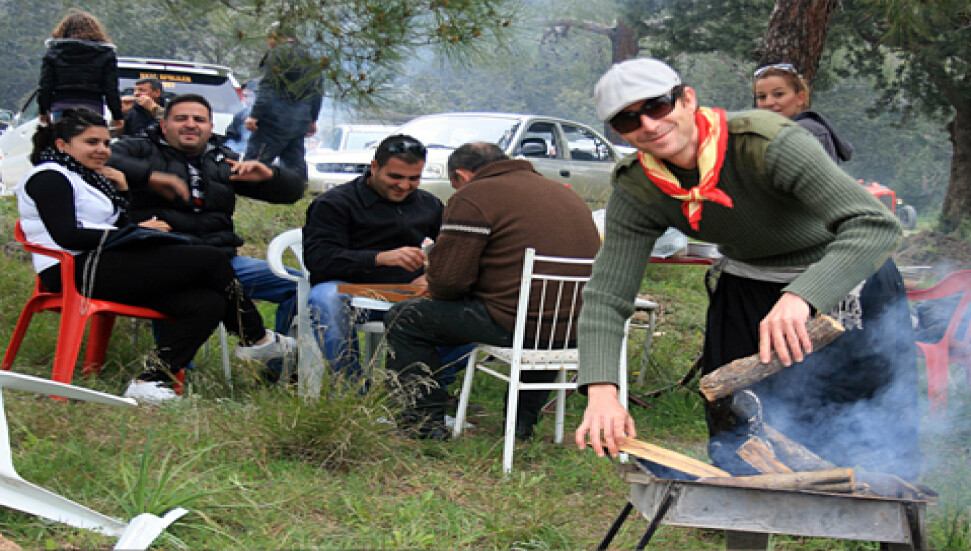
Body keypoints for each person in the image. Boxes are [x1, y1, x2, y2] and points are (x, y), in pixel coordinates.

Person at [574, 57, 919, 481]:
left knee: (874, 416)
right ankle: (743, 521)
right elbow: (607, 296)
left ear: (687, 100)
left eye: (658, 106)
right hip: (748, 285)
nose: (647, 124)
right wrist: (602, 390)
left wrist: (802, 296)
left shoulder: (766, 143)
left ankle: (889, 521)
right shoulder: (638, 185)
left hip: (846, 277)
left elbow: (875, 225)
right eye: (627, 120)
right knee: (736, 420)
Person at [15, 108, 277, 403]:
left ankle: (150, 381)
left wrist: (124, 194)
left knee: (208, 303)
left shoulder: (93, 179)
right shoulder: (49, 176)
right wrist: (138, 232)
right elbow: (69, 235)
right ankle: (255, 337)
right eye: (91, 143)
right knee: (210, 259)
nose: (102, 150)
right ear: (62, 145)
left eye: (105, 143)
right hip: (72, 270)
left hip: (107, 264)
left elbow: (117, 230)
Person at [383, 142, 602, 440]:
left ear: (462, 176)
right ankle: (522, 425)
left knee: (405, 318)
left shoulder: (476, 195)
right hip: (575, 326)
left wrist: (435, 277)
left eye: (455, 185)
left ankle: (423, 425)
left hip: (517, 324)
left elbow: (449, 283)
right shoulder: (564, 192)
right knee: (539, 313)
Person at [107, 94, 304, 366]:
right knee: (191, 295)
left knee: (298, 286)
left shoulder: (221, 159)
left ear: (210, 127)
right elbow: (103, 160)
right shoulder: (139, 149)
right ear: (164, 125)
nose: (191, 125)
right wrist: (151, 177)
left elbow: (293, 193)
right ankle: (171, 373)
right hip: (165, 262)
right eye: (181, 119)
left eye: (199, 120)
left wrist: (271, 176)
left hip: (224, 259)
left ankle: (274, 366)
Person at [303, 134, 445, 382]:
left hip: (405, 293)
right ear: (374, 167)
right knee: (324, 297)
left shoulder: (429, 204)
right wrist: (379, 258)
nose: (404, 186)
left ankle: (426, 385)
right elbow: (319, 259)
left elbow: (451, 250)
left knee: (473, 305)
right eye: (395, 177)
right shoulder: (334, 203)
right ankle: (354, 389)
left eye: (414, 178)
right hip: (349, 290)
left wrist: (431, 277)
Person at [244, 22, 322, 180]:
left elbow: (268, 86)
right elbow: (317, 91)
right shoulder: (310, 57)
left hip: (275, 120)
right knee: (294, 163)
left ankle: (247, 190)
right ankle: (296, 192)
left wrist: (254, 115)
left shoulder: (277, 53)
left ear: (275, 36)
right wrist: (312, 119)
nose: (268, 42)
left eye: (269, 38)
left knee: (256, 161)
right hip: (299, 121)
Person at [38, 9, 123, 129]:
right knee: (88, 143)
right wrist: (117, 115)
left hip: (61, 106)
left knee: (63, 143)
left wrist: (43, 110)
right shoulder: (105, 54)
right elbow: (111, 88)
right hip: (92, 106)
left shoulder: (53, 53)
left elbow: (45, 86)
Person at [753, 62, 854, 164]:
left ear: (800, 98)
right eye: (762, 97)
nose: (769, 102)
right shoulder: (770, 134)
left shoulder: (805, 131)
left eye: (779, 94)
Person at [225, 80, 257, 155]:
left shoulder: (270, 116)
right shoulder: (240, 116)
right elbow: (231, 135)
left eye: (251, 96)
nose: (248, 100)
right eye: (245, 96)